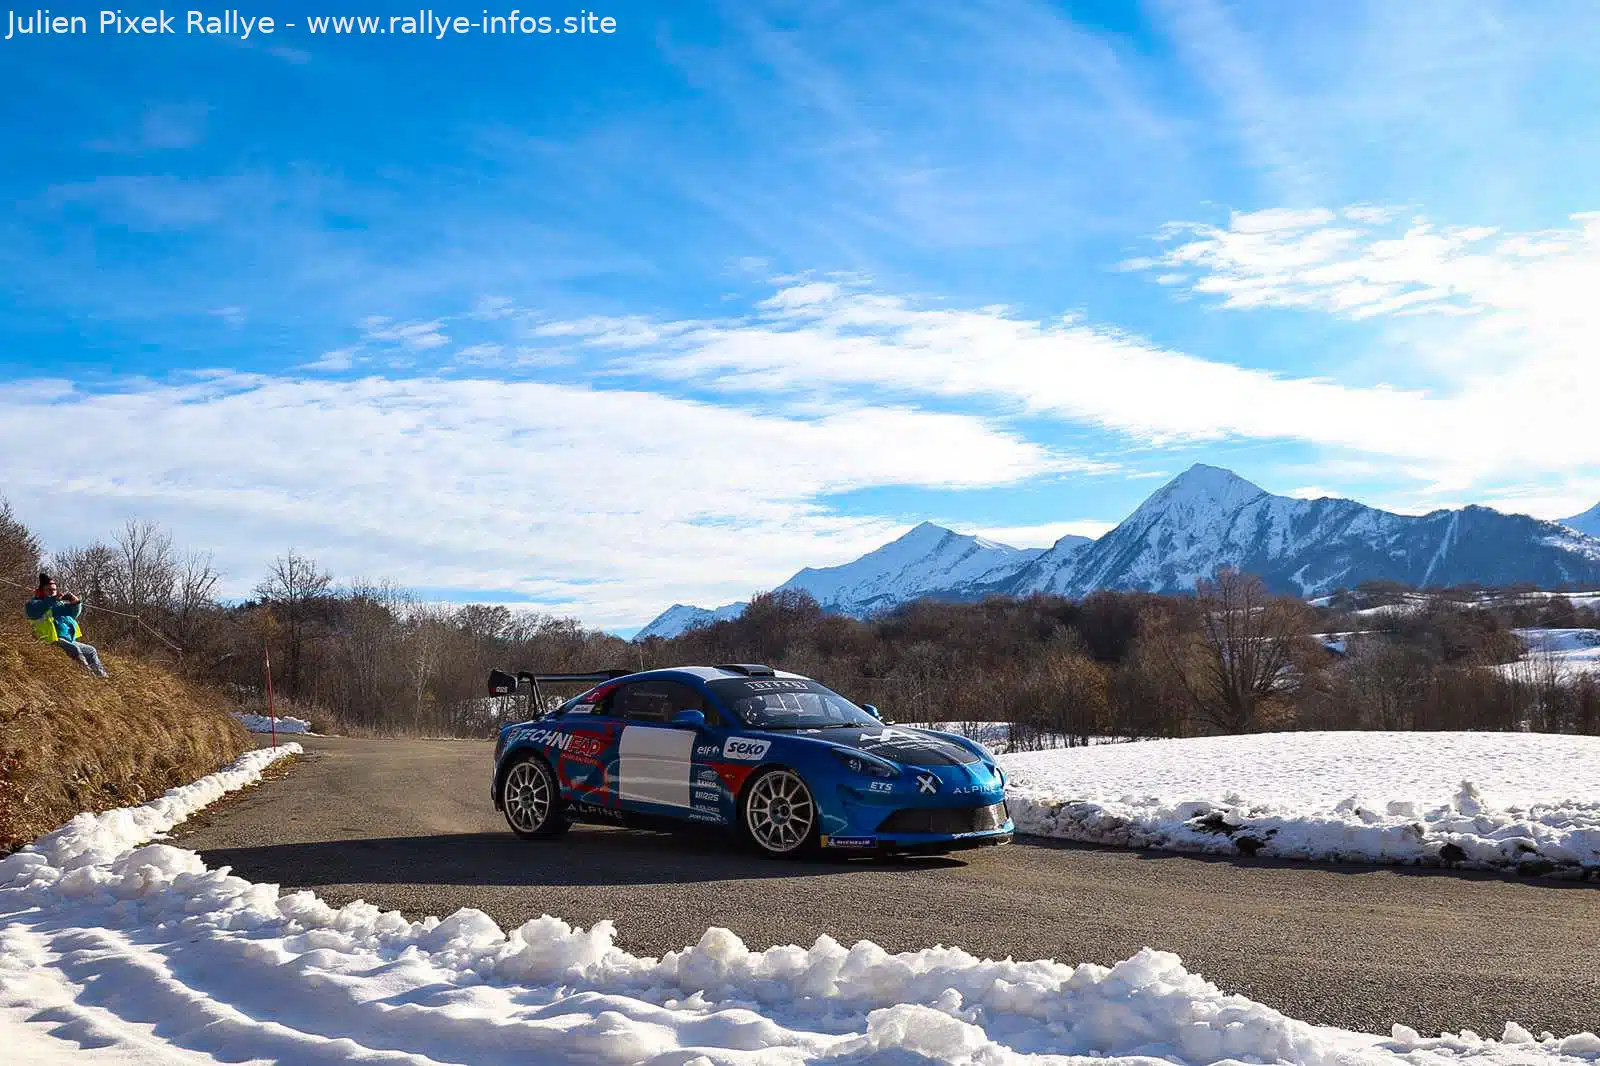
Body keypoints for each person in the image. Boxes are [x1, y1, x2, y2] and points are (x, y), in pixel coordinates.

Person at [24, 572, 110, 678]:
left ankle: (102, 676)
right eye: (49, 590)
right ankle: (88, 676)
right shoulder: (33, 604)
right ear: (41, 591)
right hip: (50, 639)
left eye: (54, 590)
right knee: (74, 649)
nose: (52, 592)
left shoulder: (57, 604)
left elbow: (73, 613)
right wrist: (53, 600)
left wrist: (75, 602)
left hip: (67, 639)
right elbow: (39, 608)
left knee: (91, 650)